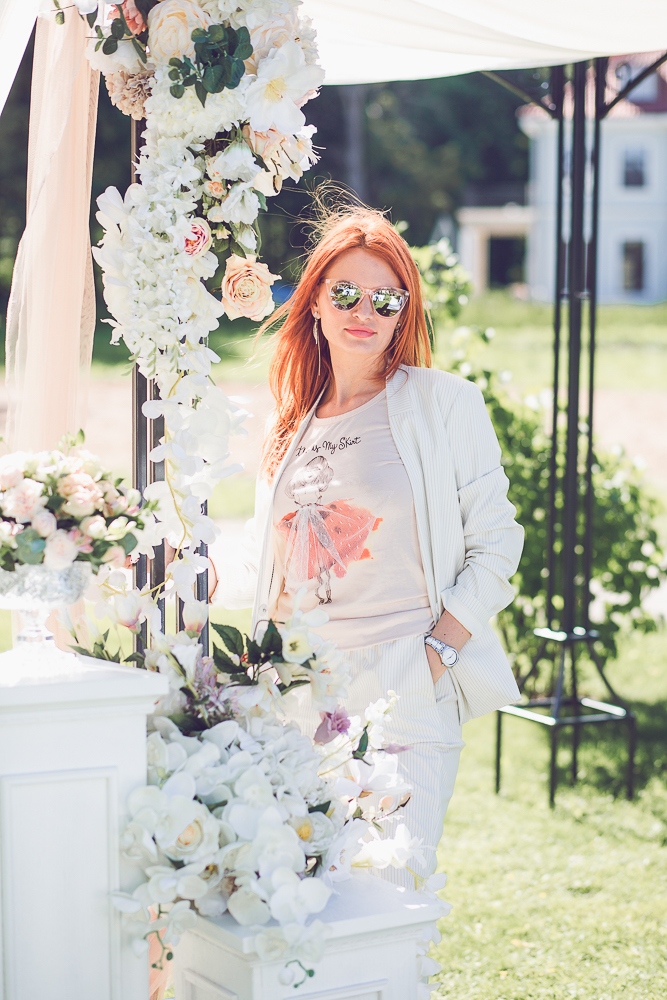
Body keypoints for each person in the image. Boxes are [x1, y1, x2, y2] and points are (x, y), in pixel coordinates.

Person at [211, 202, 524, 887]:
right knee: (302, 897)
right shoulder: (291, 423)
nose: (364, 313)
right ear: (314, 301)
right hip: (300, 690)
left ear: (403, 312)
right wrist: (178, 566)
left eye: (386, 300)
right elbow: (266, 563)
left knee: (391, 888)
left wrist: (435, 656)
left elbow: (497, 543)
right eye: (346, 293)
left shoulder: (442, 404)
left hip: (404, 681)